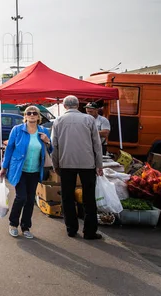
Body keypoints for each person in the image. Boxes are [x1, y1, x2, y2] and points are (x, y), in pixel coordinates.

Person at [51, 95, 104, 240]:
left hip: (66, 163)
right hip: (88, 163)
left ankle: (71, 229)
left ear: (64, 106)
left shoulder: (58, 121)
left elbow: (54, 146)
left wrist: (55, 164)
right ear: (78, 105)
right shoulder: (89, 119)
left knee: (67, 197)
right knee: (89, 197)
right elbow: (97, 145)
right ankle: (90, 231)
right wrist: (99, 165)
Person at [0, 106, 53, 239]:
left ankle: (26, 227)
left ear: (38, 116)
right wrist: (4, 167)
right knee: (21, 197)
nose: (32, 115)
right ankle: (13, 224)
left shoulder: (43, 131)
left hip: (35, 171)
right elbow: (9, 149)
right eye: (29, 113)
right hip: (19, 169)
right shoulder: (17, 130)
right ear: (25, 116)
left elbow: (51, 150)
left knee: (30, 200)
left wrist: (48, 141)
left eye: (34, 113)